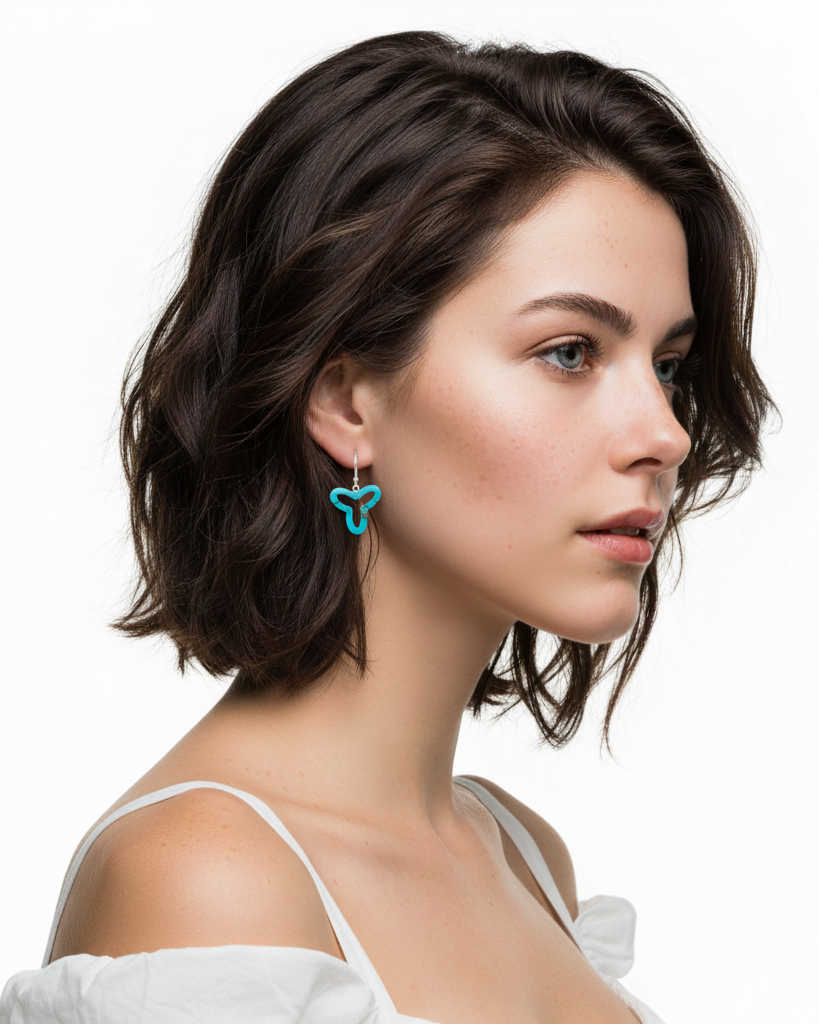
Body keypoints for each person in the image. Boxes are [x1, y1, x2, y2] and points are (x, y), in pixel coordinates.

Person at [0, 30, 778, 1024]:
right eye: (571, 352)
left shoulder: (524, 853)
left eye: (667, 365)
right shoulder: (208, 884)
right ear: (348, 403)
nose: (665, 433)